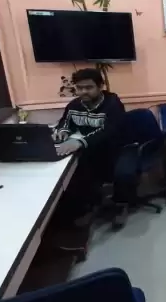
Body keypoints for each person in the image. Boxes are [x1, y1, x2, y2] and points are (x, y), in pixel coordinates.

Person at [53, 68, 126, 227]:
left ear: (100, 86)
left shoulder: (112, 105)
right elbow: (65, 122)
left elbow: (109, 131)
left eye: (89, 87)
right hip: (88, 149)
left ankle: (98, 205)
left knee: (81, 172)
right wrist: (62, 132)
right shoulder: (74, 105)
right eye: (80, 88)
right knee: (72, 170)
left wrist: (80, 142)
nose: (84, 92)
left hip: (111, 150)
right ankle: (84, 206)